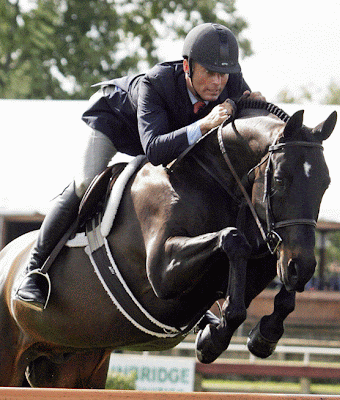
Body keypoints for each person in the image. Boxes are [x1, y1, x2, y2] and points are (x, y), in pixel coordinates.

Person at [15, 22, 266, 311]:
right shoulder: (155, 82)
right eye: (209, 73)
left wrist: (253, 104)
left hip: (168, 134)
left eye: (223, 75)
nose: (217, 83)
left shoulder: (228, 80)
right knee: (86, 182)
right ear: (187, 66)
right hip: (117, 124)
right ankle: (33, 271)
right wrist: (204, 124)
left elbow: (245, 114)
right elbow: (156, 150)